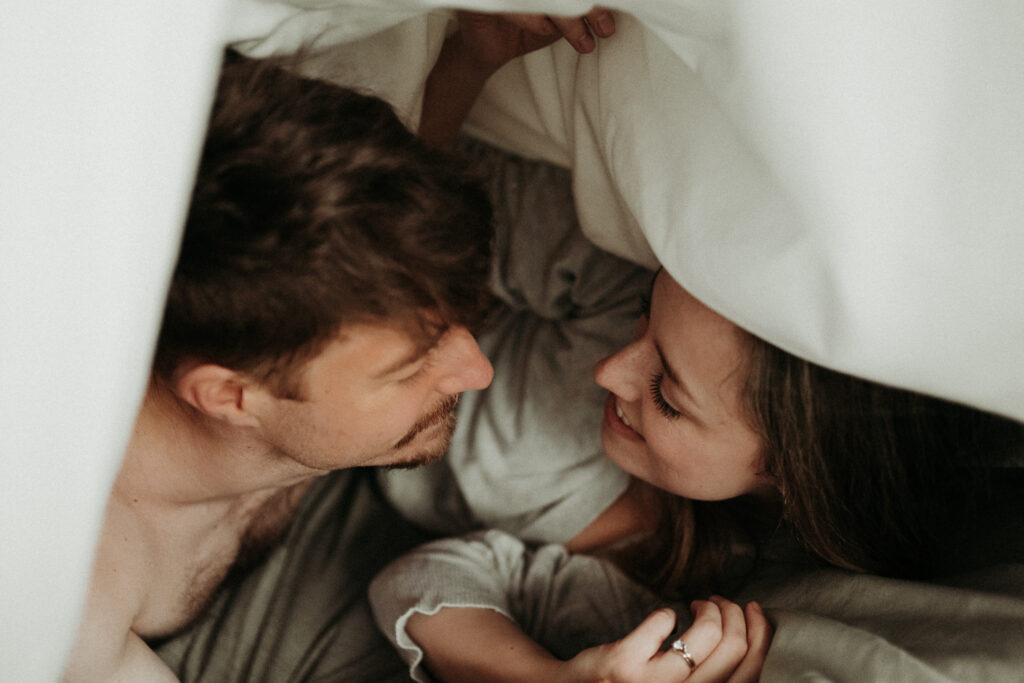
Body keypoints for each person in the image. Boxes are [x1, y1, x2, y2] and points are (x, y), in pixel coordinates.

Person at [60, 49, 498, 682]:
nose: (478, 369)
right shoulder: (83, 585)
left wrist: (471, 58)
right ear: (230, 396)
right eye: (410, 369)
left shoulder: (312, 286)